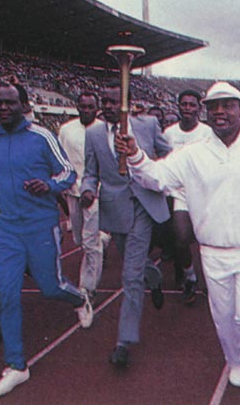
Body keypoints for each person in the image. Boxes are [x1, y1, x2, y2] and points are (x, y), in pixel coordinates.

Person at [115, 81, 240, 392]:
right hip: (214, 250)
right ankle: (235, 359)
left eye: (227, 105)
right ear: (207, 113)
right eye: (213, 107)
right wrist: (135, 154)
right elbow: (156, 178)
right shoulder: (191, 154)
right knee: (225, 318)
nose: (220, 112)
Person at [0, 82, 85, 397]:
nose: (3, 108)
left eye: (10, 103)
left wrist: (48, 185)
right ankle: (16, 366)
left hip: (41, 226)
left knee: (50, 287)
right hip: (8, 229)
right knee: (8, 295)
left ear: (24, 105)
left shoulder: (41, 136)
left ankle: (79, 299)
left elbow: (68, 174)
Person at [80, 80, 170, 368]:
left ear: (127, 104)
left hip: (143, 204)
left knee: (130, 276)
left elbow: (168, 157)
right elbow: (90, 172)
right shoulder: (93, 133)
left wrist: (153, 174)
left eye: (112, 102)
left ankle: (124, 342)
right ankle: (154, 277)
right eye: (103, 101)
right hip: (114, 208)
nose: (107, 107)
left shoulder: (148, 124)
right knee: (136, 265)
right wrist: (87, 190)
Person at [58, 91, 111, 327]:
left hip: (95, 194)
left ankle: (87, 291)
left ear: (96, 108)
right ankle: (103, 238)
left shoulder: (104, 130)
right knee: (80, 239)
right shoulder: (67, 130)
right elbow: (60, 159)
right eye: (82, 106)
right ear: (77, 107)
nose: (86, 110)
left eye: (91, 106)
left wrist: (98, 189)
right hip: (73, 192)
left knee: (90, 246)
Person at [162, 90, 213, 303]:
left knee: (209, 241)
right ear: (178, 106)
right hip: (180, 193)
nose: (188, 108)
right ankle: (190, 276)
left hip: (206, 192)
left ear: (199, 109)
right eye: (184, 104)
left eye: (193, 105)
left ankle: (212, 280)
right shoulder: (169, 133)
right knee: (181, 238)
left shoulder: (208, 132)